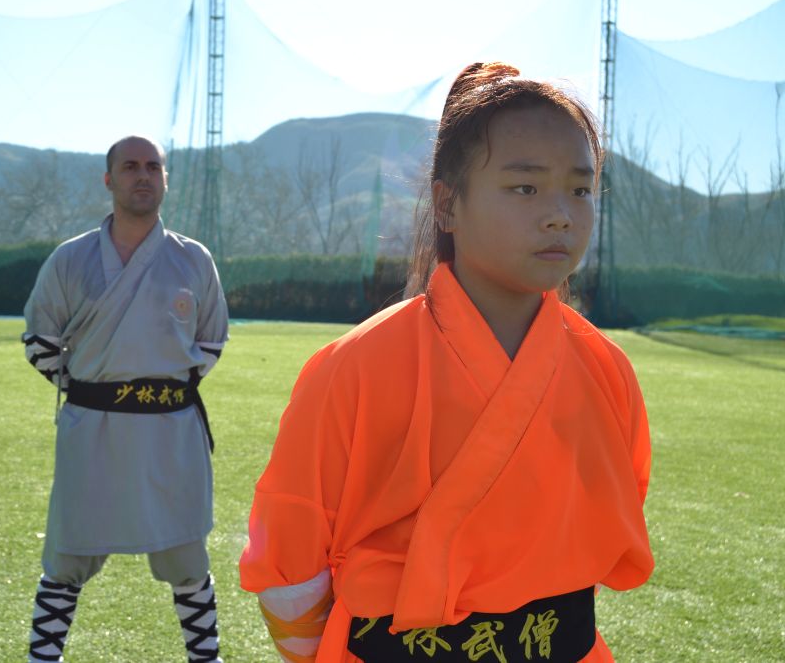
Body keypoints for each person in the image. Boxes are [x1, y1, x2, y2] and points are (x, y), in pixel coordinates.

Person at [239, 62, 654, 663]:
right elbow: (290, 561)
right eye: (525, 187)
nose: (561, 213)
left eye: (581, 189)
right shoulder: (354, 365)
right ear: (447, 203)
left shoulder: (607, 369)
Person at [22, 135, 229, 663]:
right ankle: (42, 658)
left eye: (153, 167)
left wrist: (158, 391)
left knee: (187, 558)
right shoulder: (71, 259)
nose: (143, 175)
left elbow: (210, 341)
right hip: (92, 431)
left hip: (171, 433)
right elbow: (40, 342)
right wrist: (96, 391)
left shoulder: (193, 259)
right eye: (130, 166)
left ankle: (207, 659)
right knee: (66, 558)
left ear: (165, 179)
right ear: (109, 179)